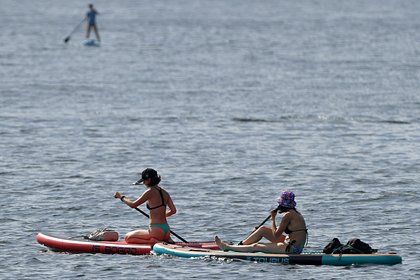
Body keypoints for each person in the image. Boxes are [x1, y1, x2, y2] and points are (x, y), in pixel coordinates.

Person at [215, 191, 307, 254]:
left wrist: (273, 219)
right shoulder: (294, 213)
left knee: (256, 246)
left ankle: (227, 247)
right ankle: (240, 246)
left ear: (283, 205)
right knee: (262, 229)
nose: (278, 206)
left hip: (292, 249)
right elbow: (281, 231)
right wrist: (258, 231)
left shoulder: (288, 215)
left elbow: (276, 235)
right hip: (290, 242)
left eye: (280, 204)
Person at [114, 168, 177, 244]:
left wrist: (121, 197)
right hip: (167, 231)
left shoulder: (149, 191)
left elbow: (133, 205)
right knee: (132, 236)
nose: (143, 183)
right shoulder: (165, 192)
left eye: (144, 180)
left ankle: (153, 241)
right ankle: (166, 239)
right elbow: (173, 211)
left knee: (128, 237)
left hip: (156, 231)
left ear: (149, 180)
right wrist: (158, 215)